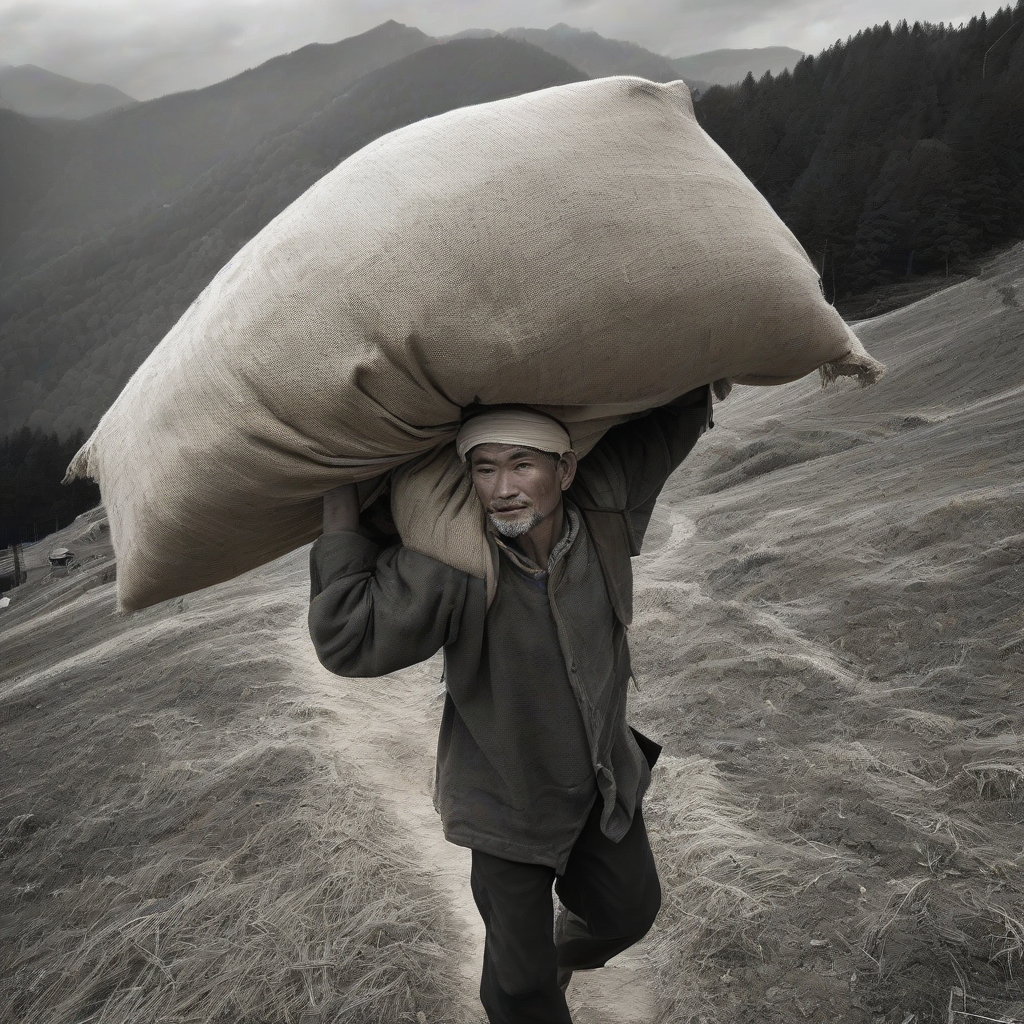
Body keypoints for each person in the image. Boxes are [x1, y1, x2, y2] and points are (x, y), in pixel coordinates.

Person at [308, 384, 715, 1023]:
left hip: (600, 779)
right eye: (485, 468)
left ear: (566, 467)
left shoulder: (604, 507)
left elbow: (667, 431)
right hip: (503, 800)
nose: (504, 489)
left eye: (522, 464)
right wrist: (338, 509)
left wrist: (702, 370)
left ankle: (556, 956)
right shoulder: (454, 566)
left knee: (628, 913)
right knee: (521, 985)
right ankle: (529, 982)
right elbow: (347, 637)